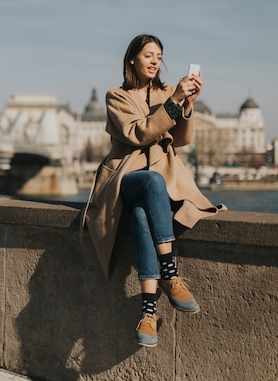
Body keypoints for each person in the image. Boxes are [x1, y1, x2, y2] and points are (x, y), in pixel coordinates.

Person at [83, 34, 226, 347]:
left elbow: (183, 139)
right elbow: (140, 133)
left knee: (140, 214)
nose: (154, 61)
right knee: (151, 182)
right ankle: (170, 274)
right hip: (125, 178)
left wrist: (187, 104)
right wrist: (174, 101)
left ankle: (148, 312)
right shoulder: (116, 96)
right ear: (132, 59)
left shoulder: (166, 93)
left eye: (159, 56)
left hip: (155, 185)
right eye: (147, 55)